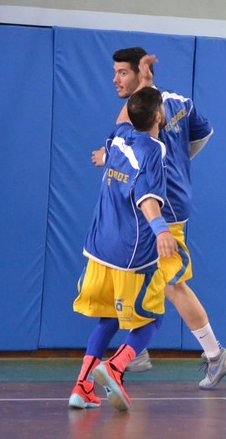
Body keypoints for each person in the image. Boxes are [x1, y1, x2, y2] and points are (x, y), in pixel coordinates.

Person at [91, 46, 226, 390]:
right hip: (172, 204)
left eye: (122, 73)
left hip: (158, 210)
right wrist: (179, 166)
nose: (115, 80)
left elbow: (124, 154)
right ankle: (142, 348)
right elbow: (202, 136)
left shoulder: (134, 114)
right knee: (149, 276)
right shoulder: (180, 102)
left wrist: (106, 157)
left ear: (141, 73)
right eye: (114, 73)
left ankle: (212, 354)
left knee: (170, 282)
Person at [69, 87, 176, 412]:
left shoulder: (119, 137)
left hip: (98, 247)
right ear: (158, 116)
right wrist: (161, 230)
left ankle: (82, 387)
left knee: (109, 318)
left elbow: (123, 118)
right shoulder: (153, 150)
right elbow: (146, 197)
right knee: (151, 319)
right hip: (131, 254)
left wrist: (141, 82)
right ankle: (114, 368)